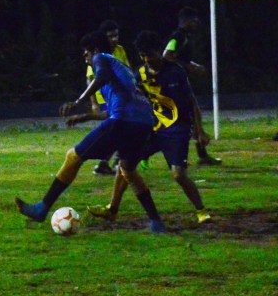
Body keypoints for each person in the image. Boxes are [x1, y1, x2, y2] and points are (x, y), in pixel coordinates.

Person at [15, 30, 168, 234]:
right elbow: (117, 108)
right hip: (143, 124)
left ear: (94, 50)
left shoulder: (101, 58)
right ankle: (156, 223)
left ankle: (42, 208)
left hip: (122, 123)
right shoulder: (121, 68)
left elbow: (103, 81)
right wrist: (86, 117)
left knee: (73, 157)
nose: (84, 56)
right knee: (128, 171)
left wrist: (78, 102)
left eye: (86, 52)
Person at [87, 30, 213, 225]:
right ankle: (112, 209)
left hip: (177, 128)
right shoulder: (140, 75)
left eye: (150, 54)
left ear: (158, 51)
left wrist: (200, 130)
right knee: (125, 165)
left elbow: (192, 102)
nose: (147, 59)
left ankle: (201, 210)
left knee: (178, 174)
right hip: (152, 128)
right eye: (143, 55)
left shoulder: (176, 72)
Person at [164, 6, 222, 165]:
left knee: (192, 114)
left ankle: (201, 154)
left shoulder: (185, 37)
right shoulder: (178, 37)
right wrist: (189, 67)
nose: (197, 23)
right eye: (194, 20)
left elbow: (181, 58)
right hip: (175, 82)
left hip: (180, 81)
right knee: (190, 114)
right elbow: (167, 56)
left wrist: (194, 66)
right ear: (187, 21)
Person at [85, 20, 132, 176]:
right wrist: (93, 103)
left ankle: (108, 163)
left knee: (119, 130)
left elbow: (127, 69)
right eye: (110, 36)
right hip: (106, 98)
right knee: (119, 130)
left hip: (119, 95)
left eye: (116, 35)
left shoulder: (120, 50)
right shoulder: (97, 54)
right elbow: (90, 78)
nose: (114, 39)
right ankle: (117, 162)